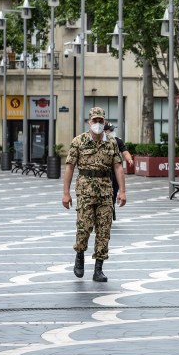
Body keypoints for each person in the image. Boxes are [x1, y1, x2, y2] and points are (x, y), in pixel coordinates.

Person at [62, 107, 126, 283]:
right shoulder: (79, 141)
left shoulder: (112, 142)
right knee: (84, 227)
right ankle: (80, 255)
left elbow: (118, 167)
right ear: (89, 122)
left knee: (104, 230)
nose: (98, 123)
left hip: (106, 191)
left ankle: (99, 268)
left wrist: (122, 191)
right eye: (95, 120)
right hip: (85, 191)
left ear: (104, 122)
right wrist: (66, 193)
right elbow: (69, 167)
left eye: (100, 120)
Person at [104, 122, 133, 219]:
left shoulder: (117, 141)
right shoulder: (99, 141)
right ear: (105, 131)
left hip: (114, 172)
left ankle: (111, 210)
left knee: (113, 192)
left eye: (113, 130)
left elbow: (125, 152)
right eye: (111, 130)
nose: (113, 131)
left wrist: (129, 159)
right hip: (102, 172)